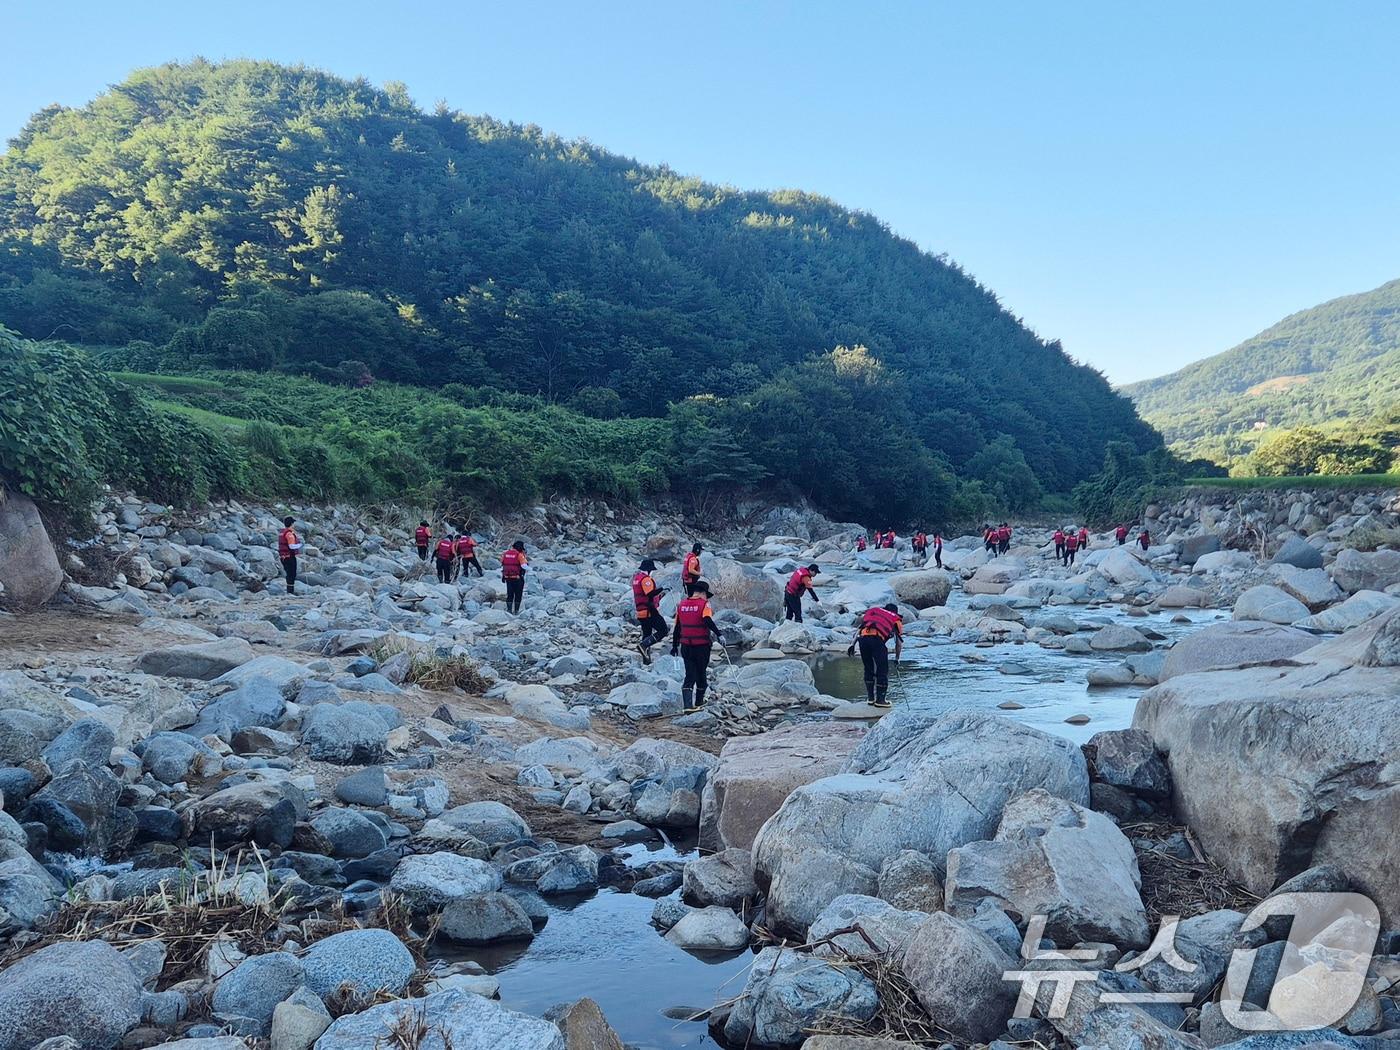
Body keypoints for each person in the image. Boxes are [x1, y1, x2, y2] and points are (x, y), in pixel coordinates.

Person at [671, 580, 724, 711]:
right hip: (701, 645)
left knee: (690, 674)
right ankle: (699, 703)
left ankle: (688, 705)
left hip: (686, 646)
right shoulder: (704, 604)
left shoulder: (681, 605)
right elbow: (707, 620)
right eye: (706, 595)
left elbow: (677, 627)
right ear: (702, 593)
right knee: (701, 673)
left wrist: (674, 645)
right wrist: (719, 634)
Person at [847, 602, 903, 708]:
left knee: (868, 668)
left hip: (862, 640)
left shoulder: (875, 613)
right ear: (895, 612)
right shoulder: (895, 619)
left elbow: (859, 629)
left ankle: (870, 699)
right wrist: (897, 659)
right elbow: (898, 643)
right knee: (882, 670)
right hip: (877, 640)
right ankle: (880, 700)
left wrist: (852, 645)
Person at [632, 558, 668, 664]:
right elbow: (650, 594)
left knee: (647, 633)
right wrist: (662, 589)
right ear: (648, 570)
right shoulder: (646, 580)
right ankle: (644, 645)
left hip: (640, 611)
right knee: (663, 630)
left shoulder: (636, 578)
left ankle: (646, 661)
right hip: (649, 610)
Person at [277, 516, 303, 595]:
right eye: (293, 523)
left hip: (283, 557)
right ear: (291, 524)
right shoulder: (289, 534)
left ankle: (289, 591)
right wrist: (300, 545)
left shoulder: (282, 532)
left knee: (289, 573)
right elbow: (291, 546)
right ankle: (290, 592)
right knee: (292, 574)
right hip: (289, 557)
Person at [501, 540, 528, 613]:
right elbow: (524, 565)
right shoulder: (519, 555)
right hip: (518, 577)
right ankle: (516, 611)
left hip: (507, 577)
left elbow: (503, 563)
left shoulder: (505, 554)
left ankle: (509, 610)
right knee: (518, 594)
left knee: (510, 594)